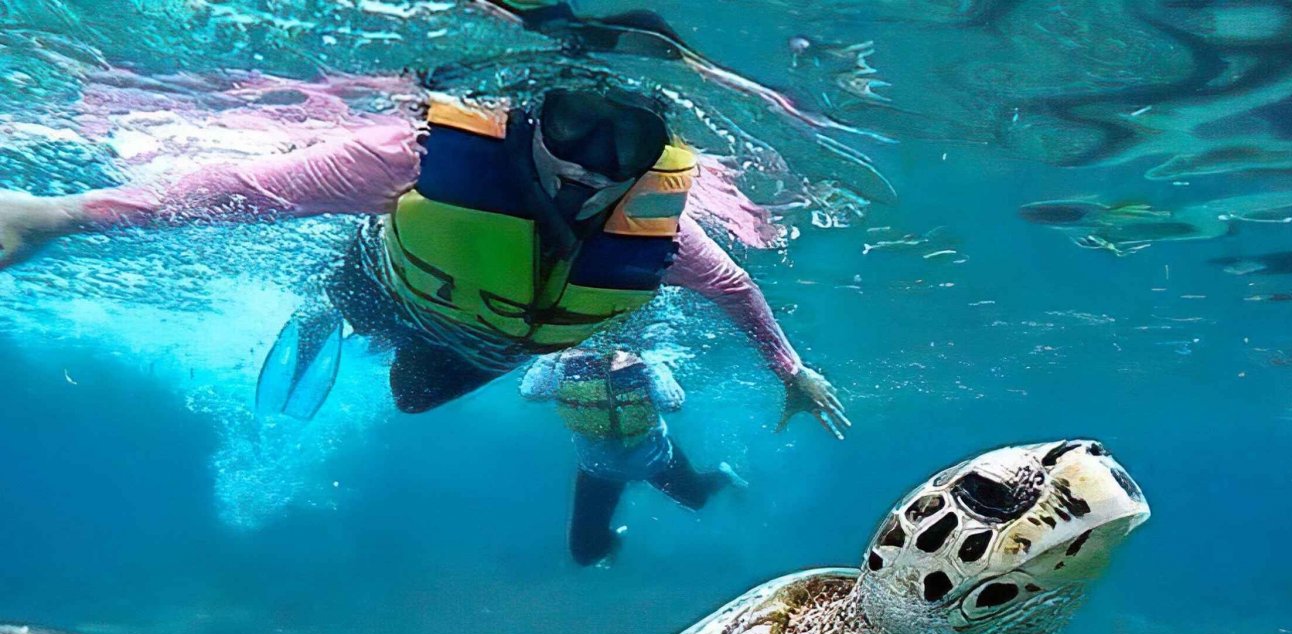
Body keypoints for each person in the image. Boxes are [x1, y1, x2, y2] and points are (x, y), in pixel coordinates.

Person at [0, 85, 849, 437]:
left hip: (489, 345)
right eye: (574, 126)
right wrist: (62, 215)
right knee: (360, 306)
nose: (592, 159)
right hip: (385, 278)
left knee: (411, 400)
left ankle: (354, 331)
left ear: (655, 156)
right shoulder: (413, 153)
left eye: (627, 140)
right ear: (530, 116)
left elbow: (735, 288)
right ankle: (324, 312)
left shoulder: (663, 234)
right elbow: (248, 188)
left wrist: (792, 370)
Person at [520, 346, 742, 564]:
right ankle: (614, 541)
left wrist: (650, 362)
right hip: (598, 468)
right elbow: (532, 392)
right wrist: (554, 354)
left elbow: (672, 402)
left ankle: (724, 475)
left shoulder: (641, 357)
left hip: (654, 459)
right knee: (585, 553)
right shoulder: (564, 359)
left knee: (697, 499)